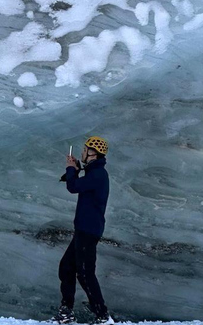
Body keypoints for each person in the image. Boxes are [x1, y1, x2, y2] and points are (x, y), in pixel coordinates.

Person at [54, 136, 111, 324]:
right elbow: (77, 184)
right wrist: (76, 170)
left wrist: (71, 168)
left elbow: (73, 187)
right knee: (67, 267)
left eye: (85, 150)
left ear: (93, 154)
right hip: (84, 229)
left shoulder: (98, 174)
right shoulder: (94, 173)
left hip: (88, 230)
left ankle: (102, 316)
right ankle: (66, 312)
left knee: (85, 273)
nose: (82, 152)